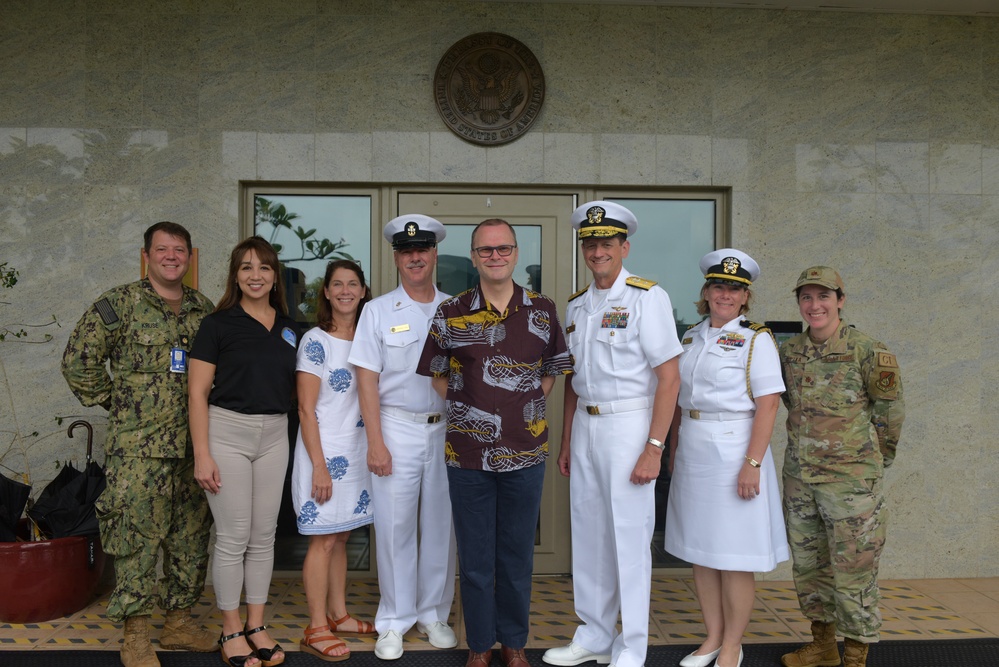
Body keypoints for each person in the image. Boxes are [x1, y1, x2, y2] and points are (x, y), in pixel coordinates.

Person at [61, 221, 218, 667]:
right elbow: (79, 362)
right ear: (146, 255)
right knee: (136, 542)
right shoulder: (119, 304)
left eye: (180, 250)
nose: (172, 256)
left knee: (190, 539)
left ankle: (179, 623)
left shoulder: (202, 309)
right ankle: (136, 636)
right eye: (162, 249)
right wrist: (121, 405)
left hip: (193, 450)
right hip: (137, 454)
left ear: (190, 256)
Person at [417, 218, 572, 667]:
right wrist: (473, 407)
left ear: (516, 253)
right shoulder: (451, 312)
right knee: (476, 557)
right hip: (466, 454)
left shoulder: (542, 309)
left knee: (516, 555)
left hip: (527, 450)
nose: (495, 256)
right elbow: (438, 375)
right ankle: (480, 646)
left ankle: (514, 644)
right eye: (486, 250)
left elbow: (551, 374)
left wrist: (516, 406)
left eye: (503, 249)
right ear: (473, 256)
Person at [543, 201, 683, 667]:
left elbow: (669, 377)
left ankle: (633, 644)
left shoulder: (647, 298)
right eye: (590, 242)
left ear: (624, 246)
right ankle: (595, 634)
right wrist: (566, 442)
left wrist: (654, 448)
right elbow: (571, 380)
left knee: (628, 536)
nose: (597, 250)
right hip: (585, 424)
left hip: (629, 425)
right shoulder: (577, 306)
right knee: (589, 534)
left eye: (606, 242)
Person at [664, 249, 789, 667]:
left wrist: (752, 464)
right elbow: (680, 403)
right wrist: (674, 450)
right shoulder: (689, 337)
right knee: (703, 552)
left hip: (736, 448)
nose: (726, 295)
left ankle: (733, 643)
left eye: (735, 289)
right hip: (695, 448)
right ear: (706, 291)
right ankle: (712, 636)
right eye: (719, 286)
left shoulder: (757, 340)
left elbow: (768, 405)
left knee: (734, 556)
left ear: (745, 297)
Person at [779, 267, 904, 667]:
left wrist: (873, 463)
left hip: (851, 482)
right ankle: (822, 645)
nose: (814, 306)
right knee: (809, 565)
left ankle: (855, 654)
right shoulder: (789, 351)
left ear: (840, 300)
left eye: (823, 297)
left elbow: (890, 411)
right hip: (801, 479)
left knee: (854, 569)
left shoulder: (868, 350)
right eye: (807, 298)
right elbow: (789, 406)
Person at [347, 214, 457, 661]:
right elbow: (366, 380)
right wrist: (375, 441)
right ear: (396, 257)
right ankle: (393, 619)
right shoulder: (377, 311)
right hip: (394, 426)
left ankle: (434, 614)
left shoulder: (457, 307)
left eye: (423, 249)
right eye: (406, 251)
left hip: (446, 428)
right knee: (393, 528)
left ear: (434, 254)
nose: (415, 257)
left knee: (440, 526)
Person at [189, 237, 301, 667]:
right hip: (227, 433)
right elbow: (197, 394)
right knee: (233, 538)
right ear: (235, 275)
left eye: (265, 268)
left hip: (274, 434)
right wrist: (203, 453)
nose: (256, 275)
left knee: (263, 536)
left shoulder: (292, 328)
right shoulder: (217, 325)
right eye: (247, 267)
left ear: (276, 276)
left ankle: (256, 625)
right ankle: (231, 630)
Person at [292, 260, 375, 662]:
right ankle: (316, 626)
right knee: (323, 539)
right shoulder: (315, 341)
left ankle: (339, 614)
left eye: (353, 284)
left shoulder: (368, 337)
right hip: (322, 453)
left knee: (342, 536)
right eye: (337, 284)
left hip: (357, 450)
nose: (345, 290)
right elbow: (306, 410)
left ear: (363, 291)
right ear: (325, 292)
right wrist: (320, 466)